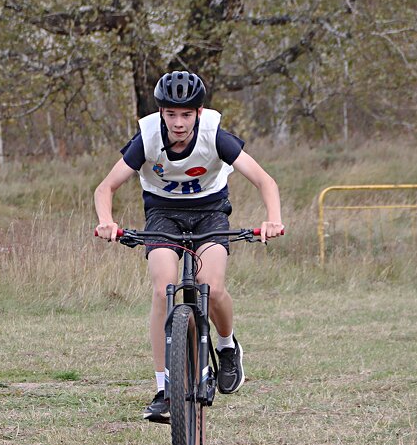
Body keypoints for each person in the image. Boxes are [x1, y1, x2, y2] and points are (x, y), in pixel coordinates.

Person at [94, 70, 284, 422]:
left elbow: (264, 180)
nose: (178, 123)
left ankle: (226, 347)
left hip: (210, 213)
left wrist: (273, 218)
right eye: (171, 114)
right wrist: (106, 221)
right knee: (162, 286)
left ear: (199, 112)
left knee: (211, 288)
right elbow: (105, 188)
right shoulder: (146, 139)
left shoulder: (216, 136)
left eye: (186, 114)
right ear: (161, 114)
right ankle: (165, 388)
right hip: (163, 214)